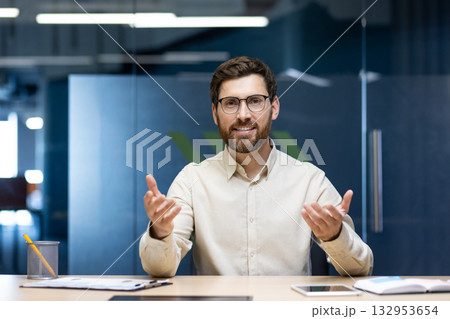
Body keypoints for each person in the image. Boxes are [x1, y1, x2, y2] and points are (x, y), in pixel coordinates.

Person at [139, 56, 373, 277]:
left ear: (275, 107)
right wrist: (160, 232)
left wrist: (335, 236)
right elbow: (160, 270)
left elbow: (361, 269)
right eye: (230, 103)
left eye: (255, 102)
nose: (243, 115)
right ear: (215, 113)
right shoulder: (191, 180)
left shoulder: (309, 180)